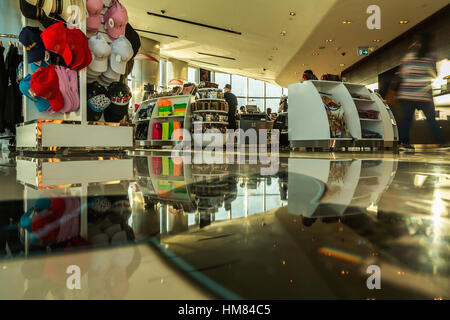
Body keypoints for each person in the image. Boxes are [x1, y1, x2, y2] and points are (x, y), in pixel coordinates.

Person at [397, 33, 448, 152]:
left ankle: (404, 144)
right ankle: (442, 143)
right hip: (424, 94)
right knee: (431, 119)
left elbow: (403, 74)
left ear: (416, 43)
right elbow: (434, 74)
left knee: (407, 120)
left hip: (407, 93)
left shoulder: (408, 57)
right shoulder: (431, 56)